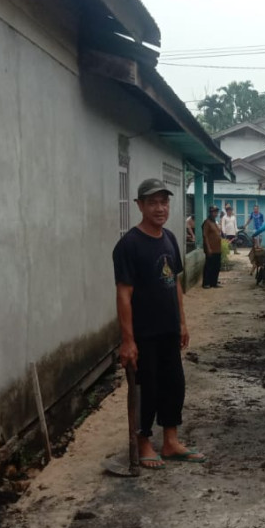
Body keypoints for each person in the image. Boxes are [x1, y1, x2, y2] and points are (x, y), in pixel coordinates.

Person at [112, 179, 206, 469]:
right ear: (140, 205)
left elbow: (175, 282)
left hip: (168, 329)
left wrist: (182, 322)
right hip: (144, 333)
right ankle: (143, 443)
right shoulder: (128, 245)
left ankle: (170, 441)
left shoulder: (169, 238)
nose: (159, 208)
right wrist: (127, 341)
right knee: (146, 388)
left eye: (164, 202)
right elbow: (123, 295)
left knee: (174, 385)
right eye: (152, 202)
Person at [201, 205, 222, 288]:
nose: (215, 213)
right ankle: (206, 283)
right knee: (209, 266)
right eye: (214, 212)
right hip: (211, 249)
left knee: (216, 266)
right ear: (210, 212)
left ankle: (214, 282)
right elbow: (205, 236)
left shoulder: (214, 222)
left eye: (216, 211)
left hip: (217, 249)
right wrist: (208, 248)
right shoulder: (207, 222)